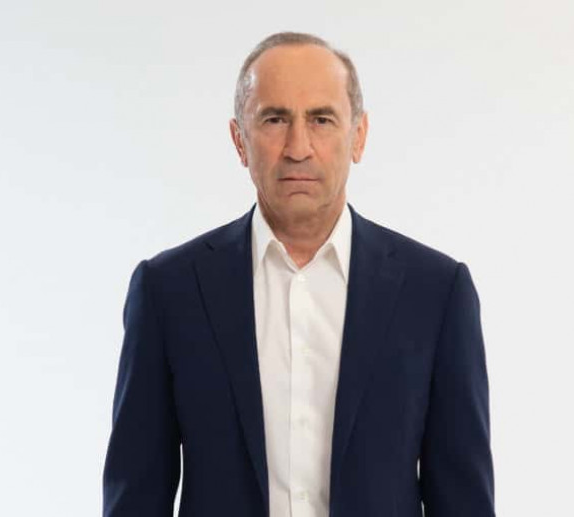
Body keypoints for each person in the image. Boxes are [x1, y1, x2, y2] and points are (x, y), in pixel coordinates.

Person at [102, 32, 495, 517]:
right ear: (239, 140)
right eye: (275, 119)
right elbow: (135, 496)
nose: (298, 147)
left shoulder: (435, 293)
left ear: (359, 136)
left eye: (321, 119)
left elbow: (463, 499)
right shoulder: (169, 291)